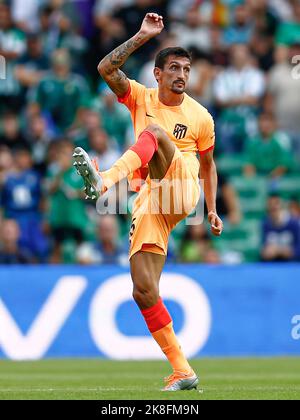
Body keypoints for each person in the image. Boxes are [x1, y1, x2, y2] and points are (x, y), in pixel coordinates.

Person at [73, 13, 223, 391]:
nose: (182, 75)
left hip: (182, 185)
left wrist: (212, 209)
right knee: (143, 290)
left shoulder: (201, 116)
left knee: (154, 132)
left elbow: (208, 165)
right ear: (157, 73)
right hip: (151, 199)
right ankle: (182, 369)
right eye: (174, 67)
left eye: (187, 69)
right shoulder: (139, 95)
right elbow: (106, 67)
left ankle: (104, 179)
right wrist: (141, 35)